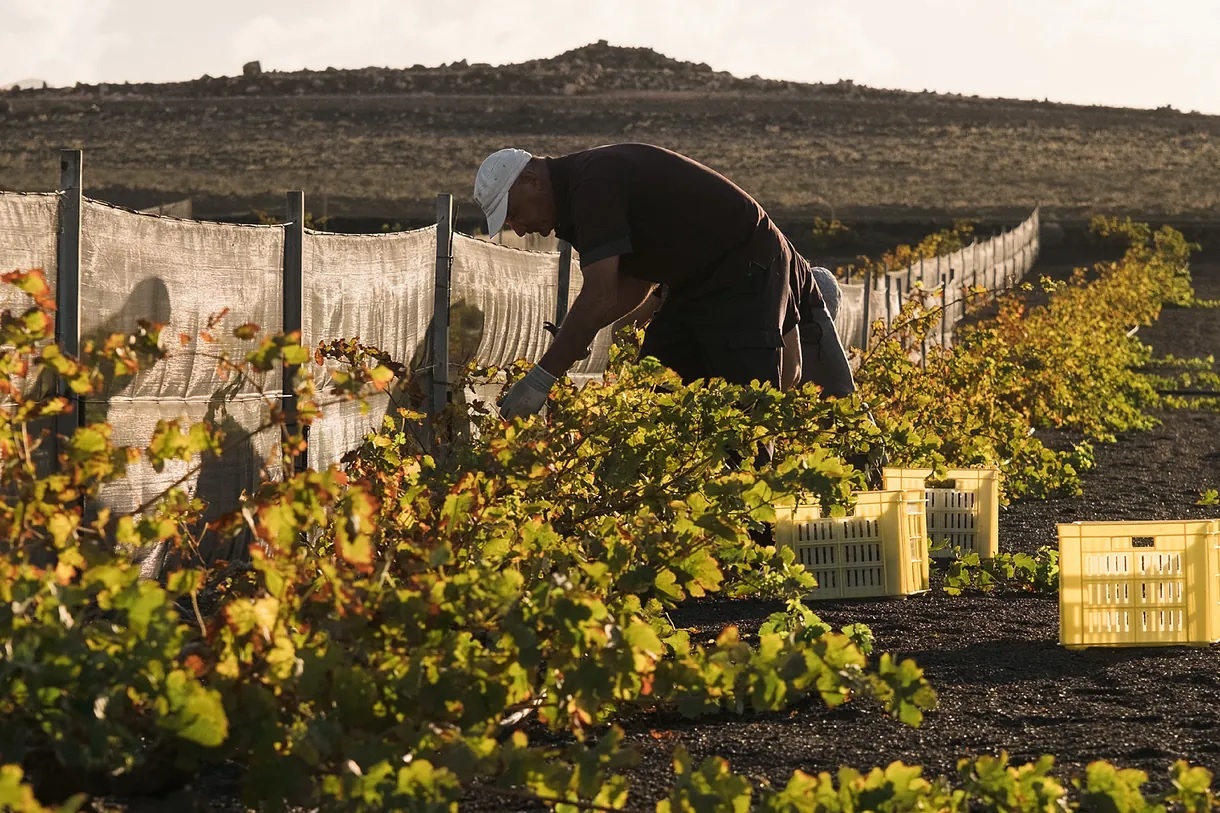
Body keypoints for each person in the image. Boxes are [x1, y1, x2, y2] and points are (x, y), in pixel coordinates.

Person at [472, 143, 855, 421]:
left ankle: (755, 526)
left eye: (514, 214)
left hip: (745, 273)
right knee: (660, 393)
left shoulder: (592, 187)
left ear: (533, 181)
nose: (519, 230)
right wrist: (586, 333)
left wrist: (541, 378)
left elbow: (600, 294)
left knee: (745, 415)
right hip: (694, 285)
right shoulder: (576, 198)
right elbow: (636, 283)